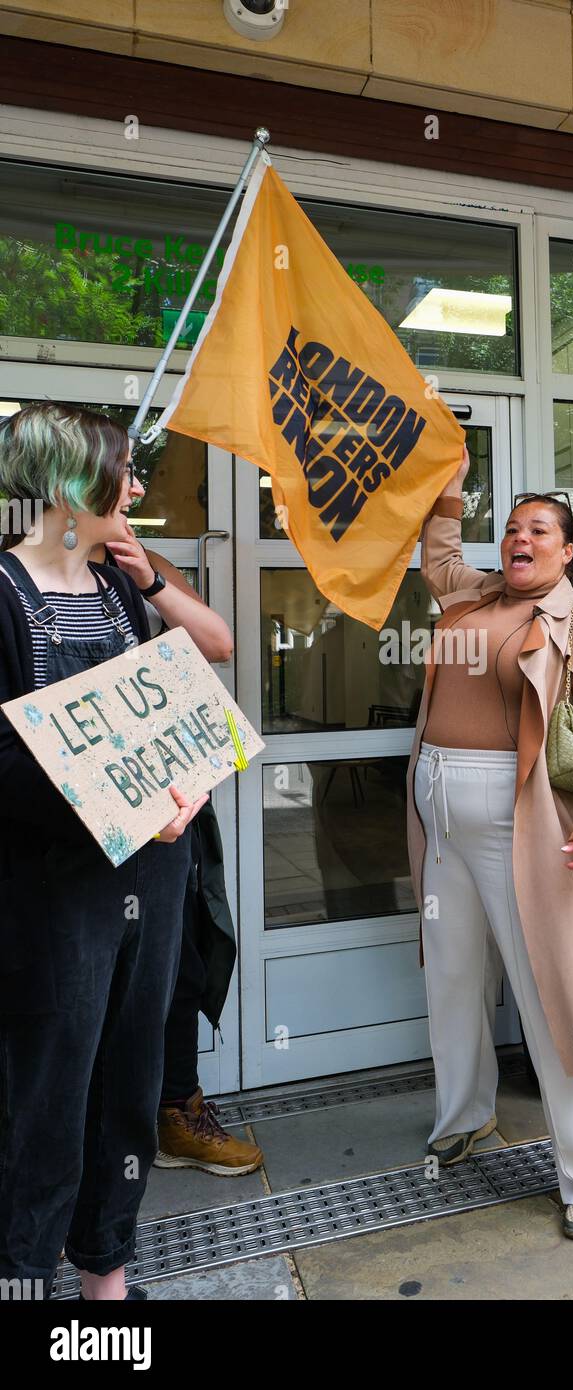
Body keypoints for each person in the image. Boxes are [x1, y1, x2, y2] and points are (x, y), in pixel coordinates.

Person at [407, 452, 573, 1241]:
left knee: (558, 998)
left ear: (568, 550)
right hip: (442, 822)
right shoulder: (473, 596)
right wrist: (447, 483)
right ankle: (465, 1113)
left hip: (530, 828)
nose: (520, 538)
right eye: (511, 527)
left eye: (539, 529)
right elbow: (439, 555)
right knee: (451, 977)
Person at [0, 402, 207, 1301]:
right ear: (66, 484)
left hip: (154, 871)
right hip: (55, 887)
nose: (133, 489)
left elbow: (176, 696)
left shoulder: (122, 589)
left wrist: (191, 776)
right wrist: (113, 802)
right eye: (120, 473)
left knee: (131, 1072)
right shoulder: (3, 596)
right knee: (47, 1084)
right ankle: (20, 1271)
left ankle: (104, 1276)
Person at [95, 529, 262, 1176]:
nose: (135, 492)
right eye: (124, 475)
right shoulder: (19, 576)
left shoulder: (142, 564)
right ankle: (80, 1152)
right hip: (74, 812)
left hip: (168, 796)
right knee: (82, 985)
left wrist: (150, 578)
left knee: (181, 961)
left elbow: (219, 643)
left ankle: (175, 1113)